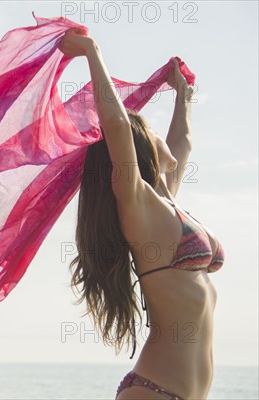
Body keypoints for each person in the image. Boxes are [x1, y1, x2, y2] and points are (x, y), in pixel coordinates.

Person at [58, 29, 224, 399]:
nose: (161, 134)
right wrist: (92, 52)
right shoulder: (137, 205)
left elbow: (184, 142)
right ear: (142, 147)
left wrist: (184, 95)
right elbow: (116, 124)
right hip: (155, 390)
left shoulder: (167, 204)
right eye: (150, 128)